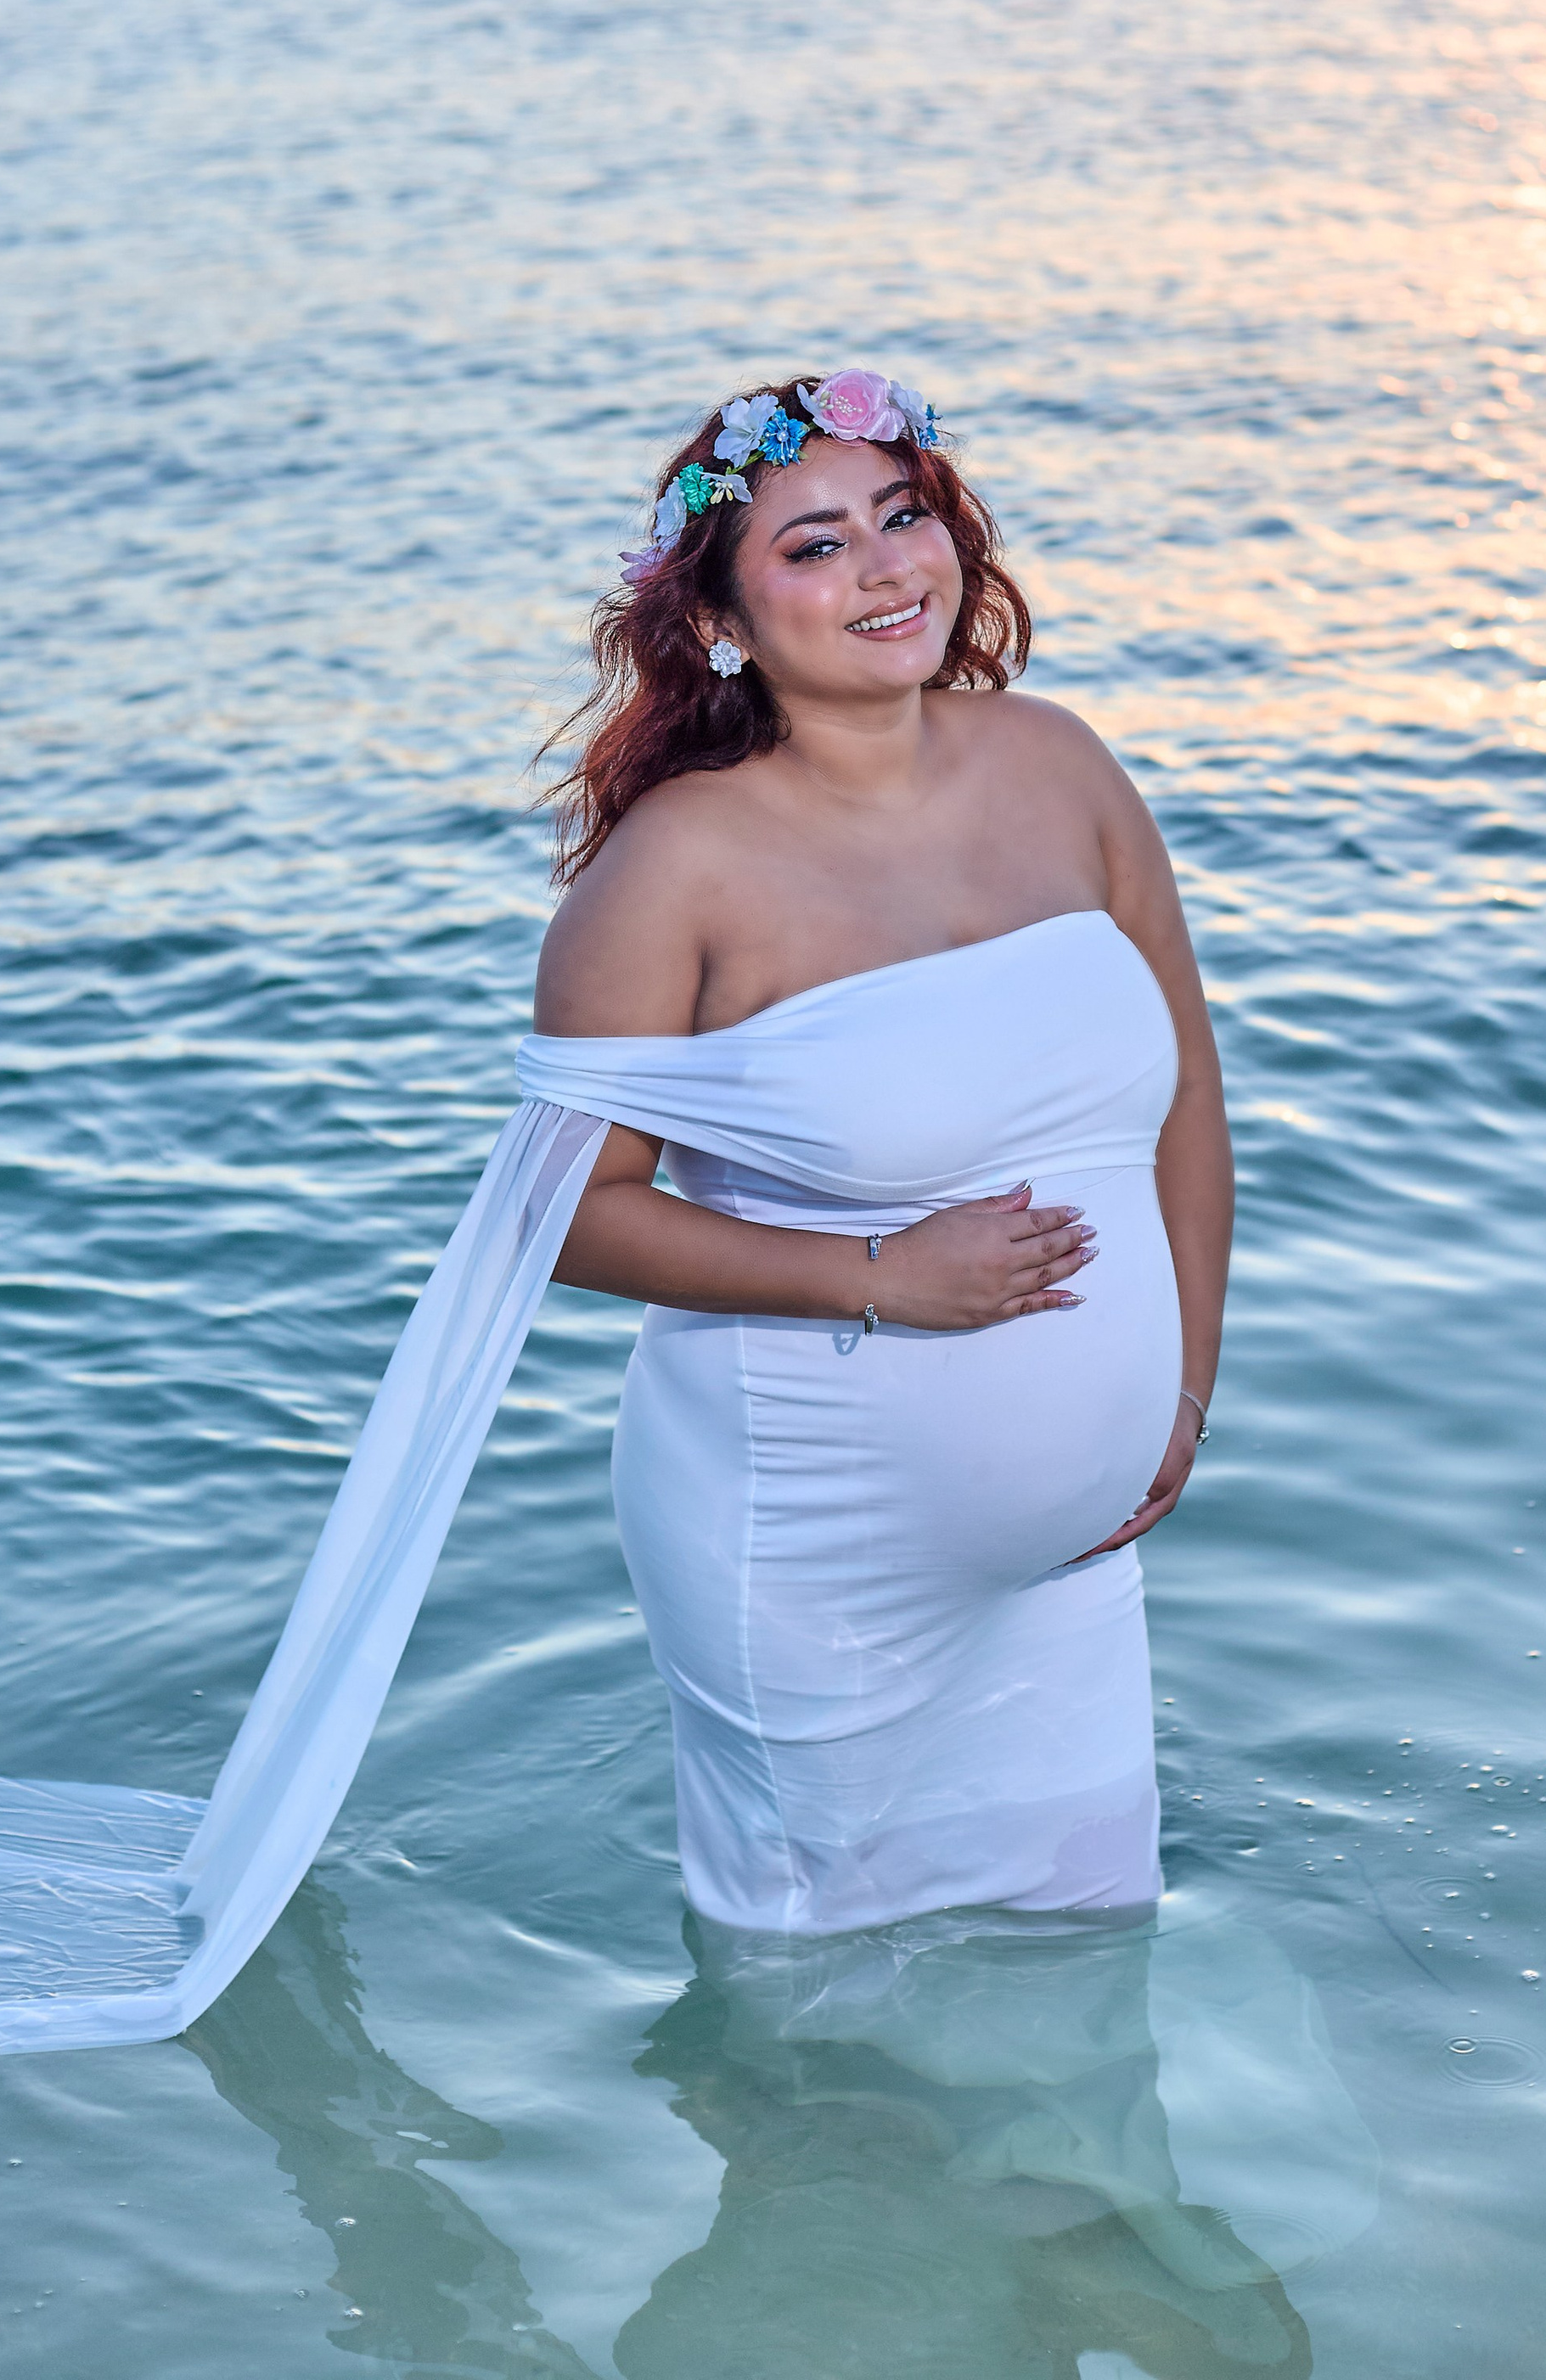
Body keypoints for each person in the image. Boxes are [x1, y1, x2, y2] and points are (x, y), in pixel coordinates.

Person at [528, 365, 1234, 1937]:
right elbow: (565, 1218)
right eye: (815, 544)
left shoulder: (1061, 767)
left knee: (1090, 1964)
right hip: (812, 1552)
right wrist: (879, 1275)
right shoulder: (675, 869)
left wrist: (1184, 1389)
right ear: (722, 616)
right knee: (817, 2015)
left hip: (1072, 1560)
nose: (882, 567)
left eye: (901, 516)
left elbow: (1189, 1095)